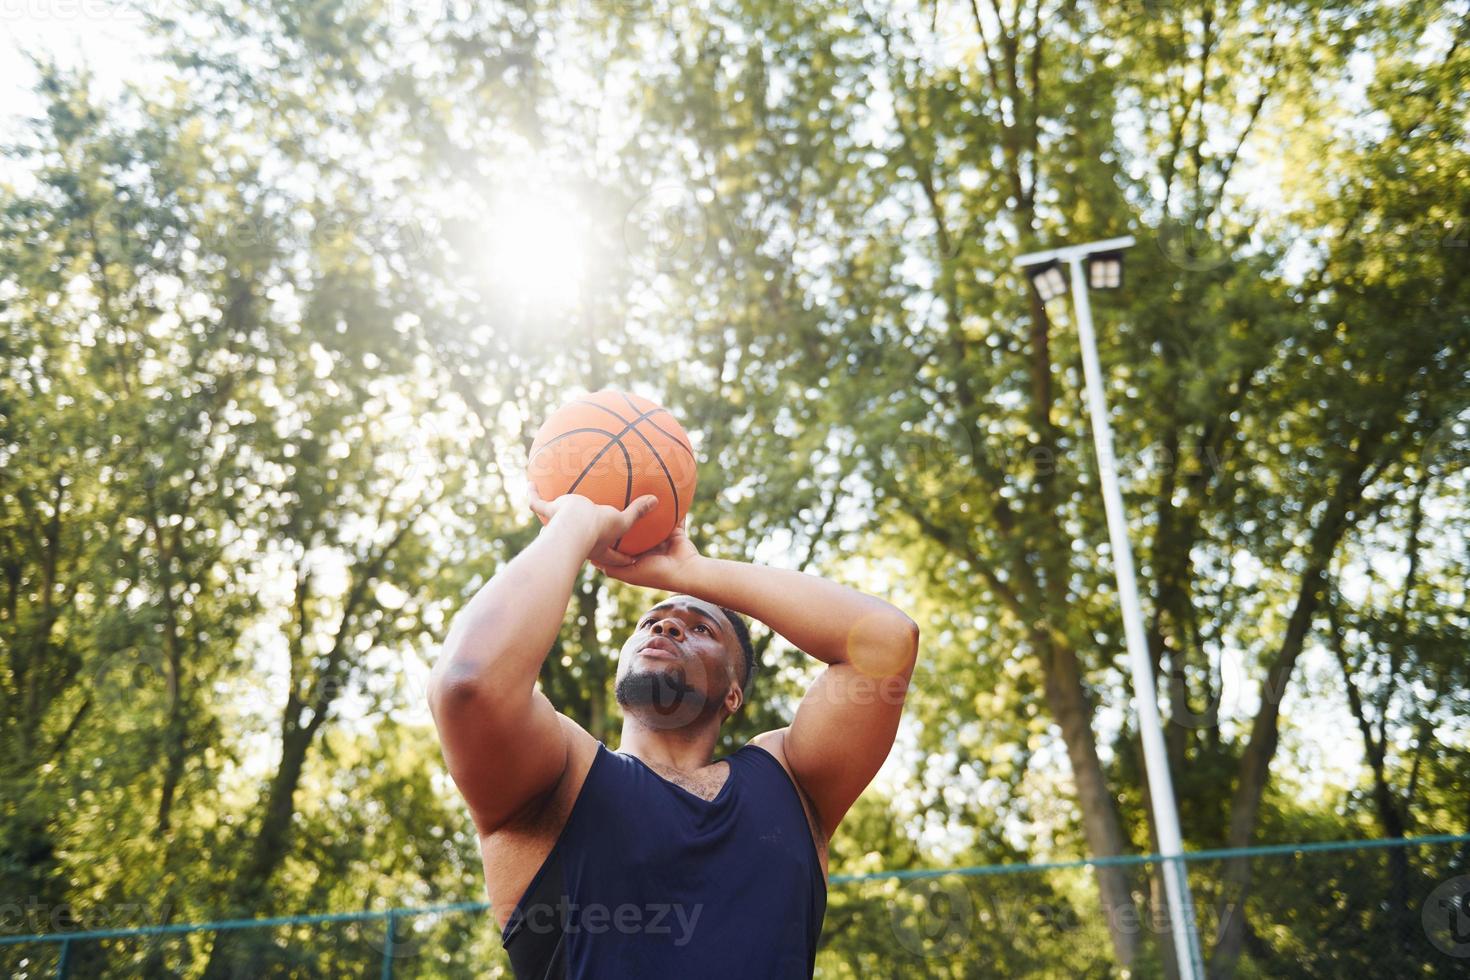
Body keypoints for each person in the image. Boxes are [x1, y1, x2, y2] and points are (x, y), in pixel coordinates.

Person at [427, 488, 920, 978]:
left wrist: (692, 574)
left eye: (701, 628)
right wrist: (576, 522)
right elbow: (470, 683)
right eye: (652, 621)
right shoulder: (561, 776)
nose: (665, 628)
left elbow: (885, 639)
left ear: (733, 693)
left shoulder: (790, 781)